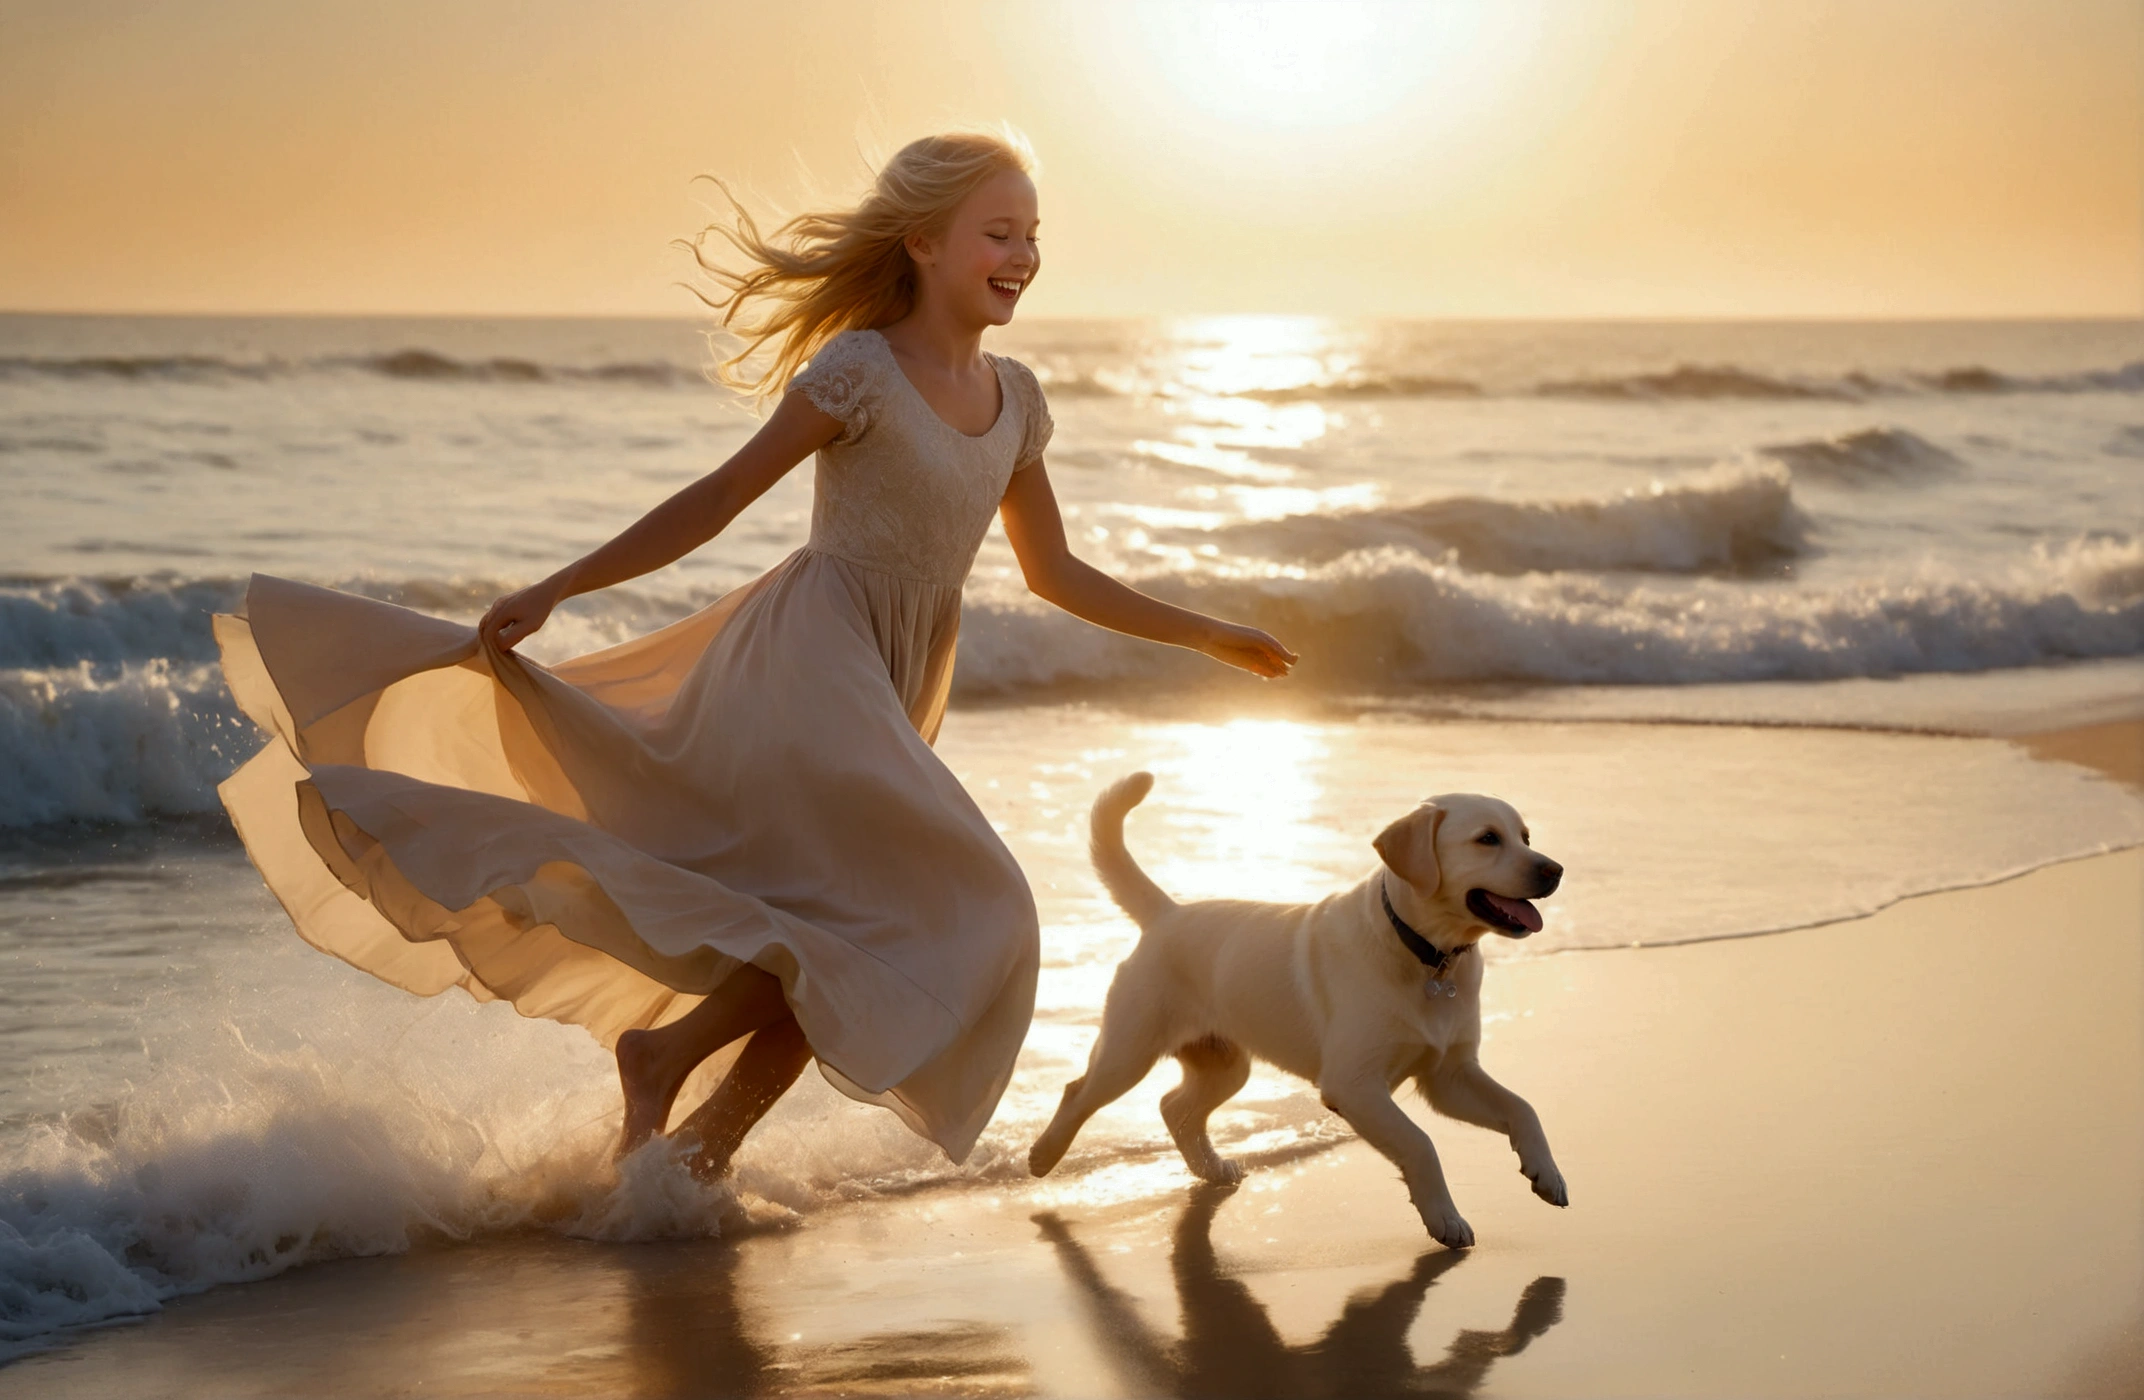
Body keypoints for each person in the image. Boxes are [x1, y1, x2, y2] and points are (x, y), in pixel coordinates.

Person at [214, 127, 1295, 1181]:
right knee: (986, 905)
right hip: (811, 663)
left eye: (1031, 235)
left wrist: (1202, 630)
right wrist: (563, 585)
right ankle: (670, 1060)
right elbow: (724, 494)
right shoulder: (861, 369)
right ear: (921, 241)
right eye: (997, 233)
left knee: (838, 936)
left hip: (896, 671)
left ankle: (691, 1152)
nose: (1021, 257)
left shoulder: (1019, 402)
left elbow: (1054, 572)